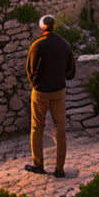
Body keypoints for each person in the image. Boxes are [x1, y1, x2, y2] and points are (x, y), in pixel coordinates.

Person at [25, 14, 76, 177]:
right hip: (59, 91)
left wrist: (35, 84)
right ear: (54, 26)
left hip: (41, 92)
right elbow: (70, 71)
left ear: (42, 27)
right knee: (60, 128)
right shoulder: (64, 44)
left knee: (36, 127)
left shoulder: (38, 45)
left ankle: (38, 164)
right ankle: (59, 169)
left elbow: (30, 69)